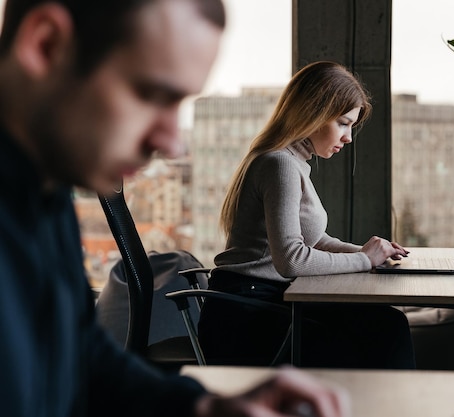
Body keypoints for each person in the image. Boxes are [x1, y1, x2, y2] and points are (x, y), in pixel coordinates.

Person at [0, 1, 349, 416]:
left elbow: (83, 356)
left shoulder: (42, 191)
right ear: (46, 45)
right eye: (151, 93)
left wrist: (203, 406)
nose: (172, 142)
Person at [201, 61, 416, 369]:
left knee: (384, 324)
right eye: (343, 123)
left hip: (263, 303)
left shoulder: (292, 162)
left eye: (351, 126)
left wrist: (369, 253)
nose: (348, 138)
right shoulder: (280, 165)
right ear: (313, 113)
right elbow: (291, 259)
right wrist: (365, 260)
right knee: (385, 329)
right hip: (248, 317)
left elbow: (313, 240)